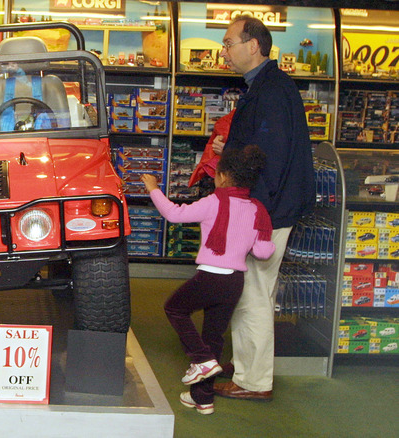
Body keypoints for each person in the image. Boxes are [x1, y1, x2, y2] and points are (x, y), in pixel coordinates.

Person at [211, 15, 316, 401]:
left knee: (253, 292)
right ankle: (246, 366)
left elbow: (272, 158)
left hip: (266, 208)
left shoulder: (271, 90)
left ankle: (253, 382)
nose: (224, 51)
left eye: (228, 43)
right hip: (268, 205)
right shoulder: (269, 86)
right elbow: (263, 149)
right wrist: (233, 151)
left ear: (253, 45)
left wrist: (255, 216)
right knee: (249, 290)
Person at [140, 145, 275, 415]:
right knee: (214, 335)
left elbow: (174, 214)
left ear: (223, 177)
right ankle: (203, 398)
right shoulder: (257, 209)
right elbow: (262, 251)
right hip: (235, 281)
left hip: (210, 277)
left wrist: (154, 188)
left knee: (175, 308)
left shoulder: (214, 202)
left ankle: (201, 360)